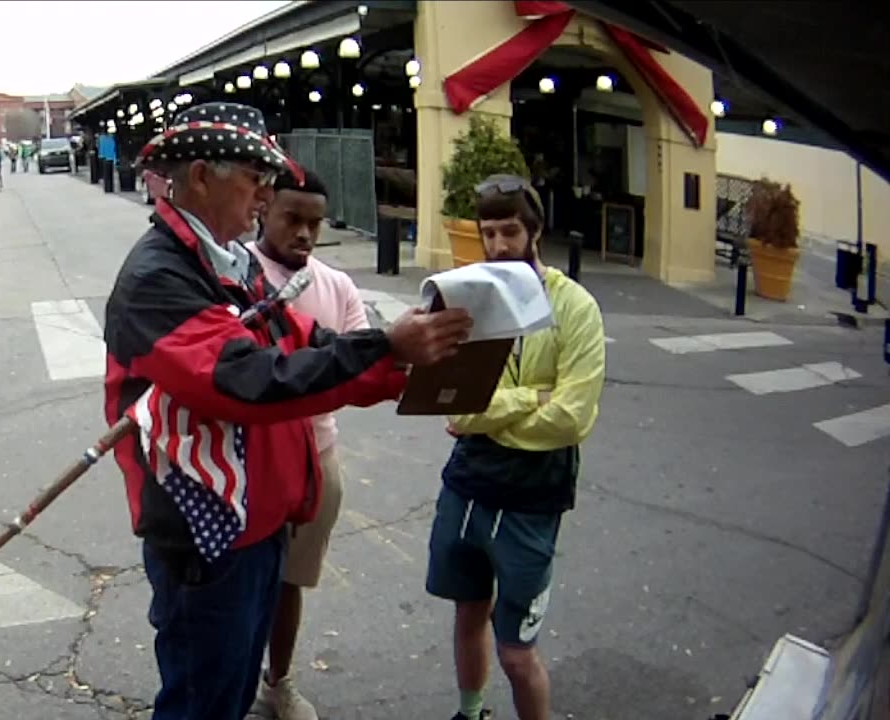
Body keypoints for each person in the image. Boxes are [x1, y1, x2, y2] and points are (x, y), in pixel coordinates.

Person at [102, 102, 475, 720]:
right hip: (209, 536)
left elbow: (298, 337)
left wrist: (397, 359)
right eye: (256, 178)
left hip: (261, 521)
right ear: (201, 176)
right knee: (203, 701)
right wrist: (385, 349)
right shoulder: (157, 278)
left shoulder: (230, 260)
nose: (265, 195)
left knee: (232, 686)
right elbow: (246, 380)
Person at [425, 174, 606, 720]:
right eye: (489, 233)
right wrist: (533, 396)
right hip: (469, 485)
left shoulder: (576, 308)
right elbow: (457, 408)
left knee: (517, 651)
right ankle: (470, 710)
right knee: (467, 611)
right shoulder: (469, 301)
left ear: (535, 231)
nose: (500, 245)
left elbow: (571, 419)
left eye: (510, 231)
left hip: (534, 495)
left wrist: (490, 414)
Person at [242, 168, 365, 720]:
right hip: (249, 461)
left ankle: (278, 681)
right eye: (293, 218)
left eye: (315, 223)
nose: (305, 234)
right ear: (264, 207)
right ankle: (233, 686)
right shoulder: (234, 275)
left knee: (291, 580)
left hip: (318, 455)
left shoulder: (336, 285)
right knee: (240, 582)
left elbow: (361, 363)